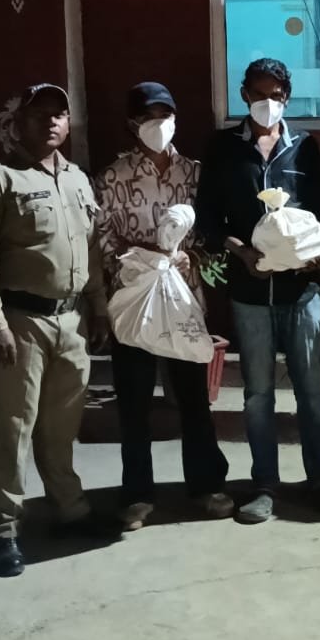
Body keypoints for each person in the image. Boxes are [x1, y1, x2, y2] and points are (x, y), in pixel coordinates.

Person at [0, 82, 116, 578]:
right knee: (14, 428)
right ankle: (3, 529)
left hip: (72, 320)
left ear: (68, 124)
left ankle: (69, 509)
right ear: (18, 123)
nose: (50, 121)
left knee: (62, 425)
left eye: (59, 114)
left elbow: (90, 249)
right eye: (39, 113)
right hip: (21, 322)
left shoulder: (78, 179)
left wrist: (98, 306)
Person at [194, 58, 320, 525]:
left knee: (311, 391)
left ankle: (319, 478)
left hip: (302, 293)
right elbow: (208, 218)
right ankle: (264, 486)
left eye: (275, 95)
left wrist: (317, 254)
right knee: (257, 395)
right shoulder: (223, 148)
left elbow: (319, 213)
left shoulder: (305, 148)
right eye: (258, 94)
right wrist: (241, 252)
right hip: (250, 293)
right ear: (243, 95)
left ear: (287, 97)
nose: (267, 103)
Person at [94, 81, 232, 531]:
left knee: (193, 399)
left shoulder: (193, 174)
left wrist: (191, 255)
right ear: (132, 123)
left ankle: (206, 485)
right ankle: (136, 495)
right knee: (134, 403)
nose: (158, 125)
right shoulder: (112, 178)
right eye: (148, 117)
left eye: (164, 116)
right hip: (134, 303)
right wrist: (140, 255)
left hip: (183, 302)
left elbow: (210, 232)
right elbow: (102, 239)